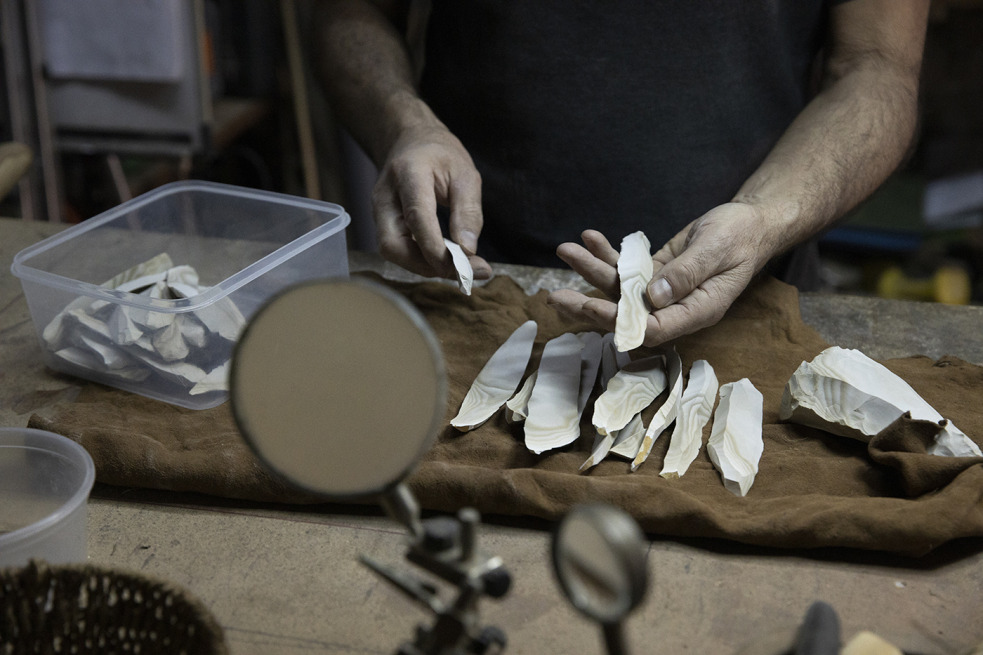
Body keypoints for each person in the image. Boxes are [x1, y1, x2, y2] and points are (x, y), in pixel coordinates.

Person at [314, 0, 930, 347]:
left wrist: (765, 219)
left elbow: (878, 71)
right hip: (474, 286)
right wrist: (403, 122)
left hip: (747, 291)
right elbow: (349, 14)